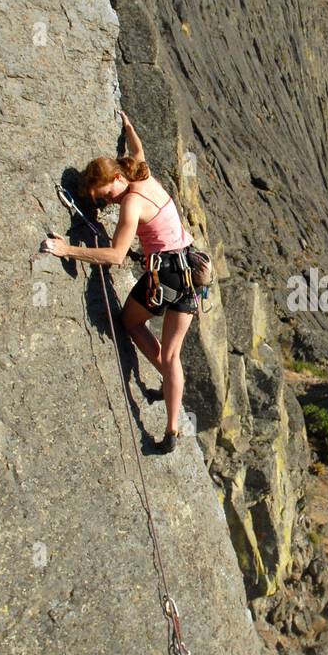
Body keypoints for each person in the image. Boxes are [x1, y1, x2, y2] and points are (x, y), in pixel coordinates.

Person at [42, 112, 197, 453]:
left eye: (103, 194)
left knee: (130, 323)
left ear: (115, 177)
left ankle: (172, 387)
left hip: (166, 274)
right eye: (99, 200)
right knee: (171, 355)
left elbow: (115, 255)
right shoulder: (141, 174)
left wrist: (66, 249)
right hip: (192, 270)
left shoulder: (131, 204)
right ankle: (172, 427)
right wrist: (127, 126)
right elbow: (138, 148)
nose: (104, 202)